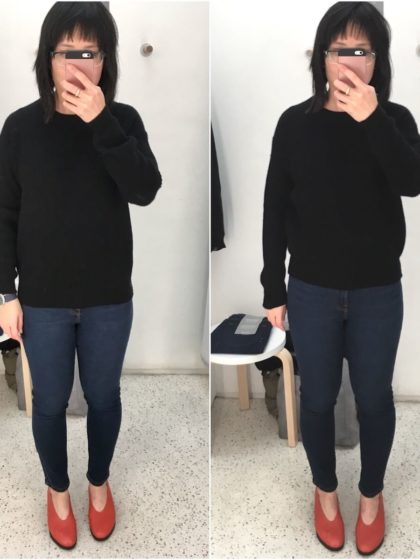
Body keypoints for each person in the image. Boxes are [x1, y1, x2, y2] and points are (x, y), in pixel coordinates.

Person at [0, 1, 161, 550]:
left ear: (105, 61)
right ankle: (57, 490)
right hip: (41, 298)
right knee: (48, 401)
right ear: (47, 59)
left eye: (89, 53)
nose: (76, 65)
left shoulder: (123, 121)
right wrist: (5, 292)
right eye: (65, 52)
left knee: (103, 396)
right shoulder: (20, 128)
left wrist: (101, 123)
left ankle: (98, 482)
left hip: (107, 296)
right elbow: (4, 213)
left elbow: (145, 189)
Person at [260, 2, 420, 555]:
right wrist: (273, 288)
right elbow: (274, 208)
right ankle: (325, 492)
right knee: (318, 397)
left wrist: (371, 120)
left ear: (378, 60)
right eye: (339, 50)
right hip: (311, 290)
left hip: (378, 290)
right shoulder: (295, 123)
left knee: (375, 398)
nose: (350, 61)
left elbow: (412, 181)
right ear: (322, 58)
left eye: (362, 51)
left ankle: (371, 496)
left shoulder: (395, 119)